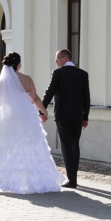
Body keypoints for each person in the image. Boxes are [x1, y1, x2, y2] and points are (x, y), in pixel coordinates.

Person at [0, 52, 65, 194]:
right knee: (30, 147)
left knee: (8, 149)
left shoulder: (0, 80)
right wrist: (43, 111)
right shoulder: (26, 79)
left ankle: (4, 180)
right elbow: (35, 98)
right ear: (18, 64)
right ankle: (32, 182)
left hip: (8, 120)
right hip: (27, 118)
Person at [41, 49, 90, 189]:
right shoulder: (82, 74)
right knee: (75, 144)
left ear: (65, 58)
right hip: (78, 115)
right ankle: (73, 177)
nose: (56, 62)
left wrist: (42, 110)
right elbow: (86, 97)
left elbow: (49, 92)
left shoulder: (59, 73)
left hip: (62, 115)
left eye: (57, 59)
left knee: (66, 146)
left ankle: (72, 180)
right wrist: (85, 116)